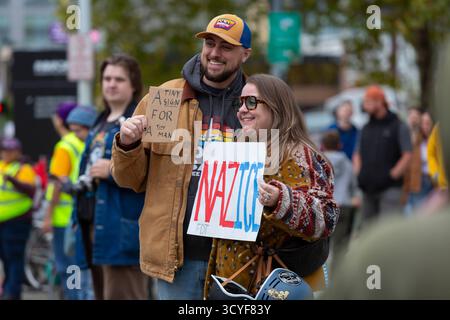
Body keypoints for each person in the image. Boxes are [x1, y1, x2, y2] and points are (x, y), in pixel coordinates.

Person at [111, 13, 253, 299]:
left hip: (237, 261)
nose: (214, 53)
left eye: (226, 47)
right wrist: (128, 144)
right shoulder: (165, 98)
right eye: (210, 43)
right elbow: (130, 180)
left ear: (245, 54)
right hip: (177, 262)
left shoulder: (254, 105)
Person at [203, 74, 339, 299]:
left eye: (252, 102)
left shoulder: (301, 155)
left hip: (273, 286)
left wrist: (280, 199)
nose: (242, 110)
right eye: (240, 102)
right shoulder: (236, 149)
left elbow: (327, 218)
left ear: (277, 107)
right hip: (230, 282)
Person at [73, 54, 147, 300]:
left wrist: (113, 171)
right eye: (106, 78)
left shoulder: (138, 123)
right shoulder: (99, 121)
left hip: (120, 231)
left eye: (119, 79)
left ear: (133, 84)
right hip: (92, 227)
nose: (111, 84)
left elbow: (151, 176)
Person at [42, 103, 97, 299]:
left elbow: (57, 183)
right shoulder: (89, 142)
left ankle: (73, 296)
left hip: (63, 217)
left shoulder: (65, 146)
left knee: (68, 266)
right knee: (80, 265)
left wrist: (47, 216)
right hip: (82, 214)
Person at [353, 85, 412, 227]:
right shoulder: (366, 127)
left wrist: (391, 176)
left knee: (389, 230)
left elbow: (407, 155)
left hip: (390, 189)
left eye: (368, 102)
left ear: (379, 102)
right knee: (368, 232)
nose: (364, 106)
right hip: (367, 189)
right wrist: (360, 174)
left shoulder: (398, 125)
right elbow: (357, 153)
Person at [0, 137, 36, 299]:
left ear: (18, 152)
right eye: (4, 150)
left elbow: (31, 191)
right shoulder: (1, 166)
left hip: (17, 222)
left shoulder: (24, 169)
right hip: (2, 222)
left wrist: (13, 180)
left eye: (10, 150)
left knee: (14, 258)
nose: (6, 153)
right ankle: (9, 289)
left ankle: (12, 293)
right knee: (6, 259)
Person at [321, 130, 359, 271]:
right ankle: (337, 277)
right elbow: (353, 184)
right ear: (340, 145)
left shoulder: (320, 162)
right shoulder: (347, 163)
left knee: (323, 246)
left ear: (323, 145)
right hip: (344, 205)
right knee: (341, 246)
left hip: (325, 206)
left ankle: (324, 278)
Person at [402, 110, 434, 215]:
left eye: (427, 123)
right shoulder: (416, 139)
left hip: (433, 182)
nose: (425, 126)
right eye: (422, 123)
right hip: (418, 182)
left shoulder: (436, 140)